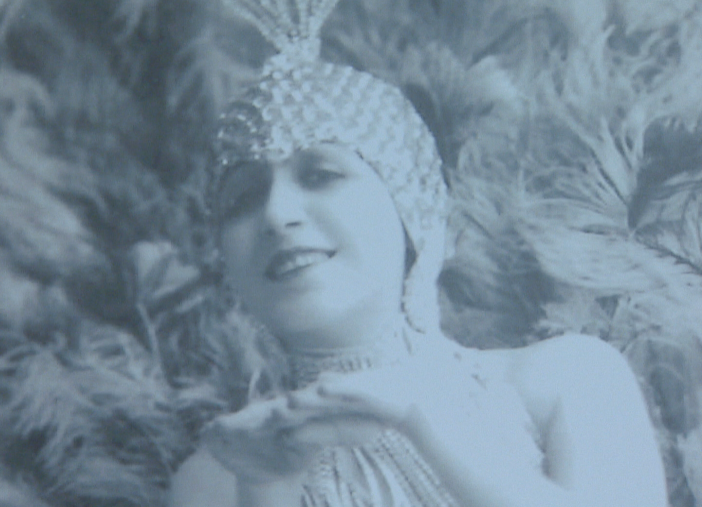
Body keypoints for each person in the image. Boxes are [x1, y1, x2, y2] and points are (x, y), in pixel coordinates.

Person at [169, 1, 667, 505]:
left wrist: (425, 419)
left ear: (413, 208)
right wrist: (267, 488)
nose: (276, 214)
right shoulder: (216, 478)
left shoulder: (570, 378)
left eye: (321, 175)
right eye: (242, 198)